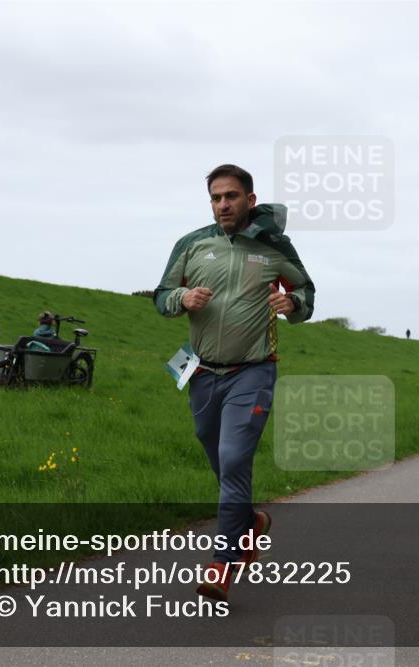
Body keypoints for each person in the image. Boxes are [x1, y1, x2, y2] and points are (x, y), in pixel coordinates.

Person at [153, 164, 315, 603]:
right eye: (216, 198)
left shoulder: (274, 247)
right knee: (215, 452)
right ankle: (250, 525)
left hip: (253, 371)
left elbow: (307, 296)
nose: (223, 204)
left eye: (231, 196)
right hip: (201, 371)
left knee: (234, 457)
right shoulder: (191, 245)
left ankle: (221, 564)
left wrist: (291, 302)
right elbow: (161, 296)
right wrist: (181, 298)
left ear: (250, 200)